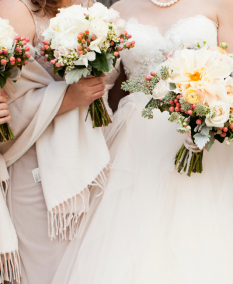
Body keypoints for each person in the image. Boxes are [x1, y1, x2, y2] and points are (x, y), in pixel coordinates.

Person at [51, 0, 233, 283]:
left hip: (199, 139)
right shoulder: (120, 9)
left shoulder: (224, 4)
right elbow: (103, 83)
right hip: (134, 144)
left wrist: (206, 114)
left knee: (198, 239)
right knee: (132, 240)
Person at [0, 0, 109, 283]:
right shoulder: (15, 10)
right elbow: (12, 104)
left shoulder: (91, 7)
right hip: (37, 167)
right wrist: (70, 97)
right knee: (47, 269)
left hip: (91, 157)